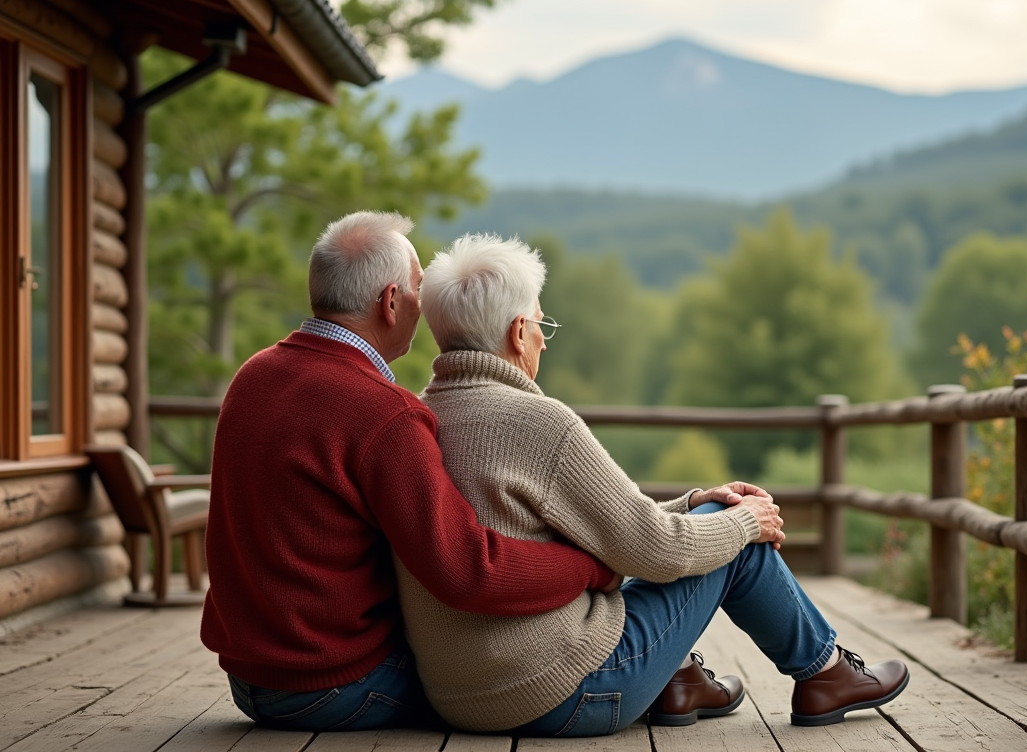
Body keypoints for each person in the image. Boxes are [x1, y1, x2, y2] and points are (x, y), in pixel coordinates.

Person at [398, 233, 910, 737]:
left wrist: (692, 504)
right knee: (741, 543)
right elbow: (655, 549)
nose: (544, 338)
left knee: (715, 525)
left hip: (455, 698)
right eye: (540, 323)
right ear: (517, 332)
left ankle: (678, 681)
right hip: (567, 694)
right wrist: (743, 522)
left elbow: (603, 530)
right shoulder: (540, 423)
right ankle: (825, 673)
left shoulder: (417, 420)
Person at [201, 211, 622, 732]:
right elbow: (470, 571)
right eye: (419, 288)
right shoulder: (383, 412)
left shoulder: (253, 376)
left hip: (249, 680)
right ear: (391, 301)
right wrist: (592, 568)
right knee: (492, 682)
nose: (425, 306)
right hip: (336, 683)